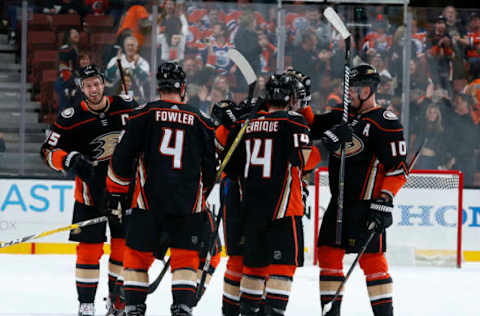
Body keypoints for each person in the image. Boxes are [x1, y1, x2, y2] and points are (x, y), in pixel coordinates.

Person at [105, 62, 217, 316]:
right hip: (187, 204)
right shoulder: (202, 121)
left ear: (159, 87)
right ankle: (182, 309)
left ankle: (133, 309)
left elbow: (120, 159)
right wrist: (201, 196)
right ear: (183, 88)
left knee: (136, 257)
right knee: (186, 259)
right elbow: (210, 170)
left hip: (148, 202)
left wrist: (117, 195)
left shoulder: (143, 113)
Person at [301, 64, 408, 316]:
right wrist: (304, 100)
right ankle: (331, 313)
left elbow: (398, 169)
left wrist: (385, 200)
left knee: (372, 260)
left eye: (355, 89)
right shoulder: (342, 114)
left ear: (368, 90)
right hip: (339, 201)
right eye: (348, 89)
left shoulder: (385, 122)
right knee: (327, 253)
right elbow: (313, 126)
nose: (348, 94)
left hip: (366, 204)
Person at [40, 64, 138, 316]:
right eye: (88, 85)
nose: (93, 89)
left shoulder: (127, 105)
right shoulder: (70, 118)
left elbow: (148, 137)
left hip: (125, 193)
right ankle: (86, 306)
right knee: (88, 250)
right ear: (81, 88)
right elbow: (47, 151)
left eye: (96, 83)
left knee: (123, 246)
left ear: (103, 83)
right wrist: (68, 159)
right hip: (89, 196)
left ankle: (117, 300)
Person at [224, 73, 320, 316]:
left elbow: (230, 167)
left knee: (254, 269)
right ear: (289, 99)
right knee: (282, 268)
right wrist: (327, 145)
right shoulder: (295, 122)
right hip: (283, 210)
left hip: (251, 212)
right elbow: (304, 161)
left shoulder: (248, 123)